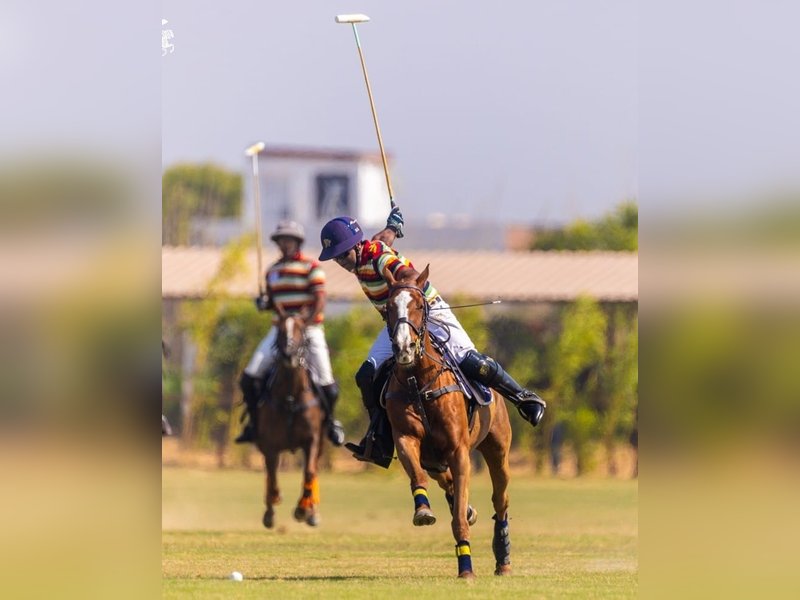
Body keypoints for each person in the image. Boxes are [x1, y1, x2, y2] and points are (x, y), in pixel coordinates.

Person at [318, 208, 546, 465]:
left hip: (429, 311)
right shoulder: (367, 252)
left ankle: (523, 397)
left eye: (343, 254)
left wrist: (405, 282)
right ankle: (378, 438)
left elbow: (404, 272)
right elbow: (384, 237)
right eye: (336, 258)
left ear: (357, 246)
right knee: (366, 375)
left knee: (470, 360)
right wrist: (393, 225)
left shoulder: (378, 257)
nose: (341, 261)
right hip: (397, 321)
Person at [235, 220, 345, 446]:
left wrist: (305, 322)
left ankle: (331, 423)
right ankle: (254, 424)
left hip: (309, 329)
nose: (284, 244)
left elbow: (319, 300)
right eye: (281, 240)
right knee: (249, 377)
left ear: (297, 243)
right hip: (279, 331)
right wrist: (263, 303)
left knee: (327, 383)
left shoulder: (311, 267)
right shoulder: (272, 271)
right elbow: (271, 302)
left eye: (289, 240)